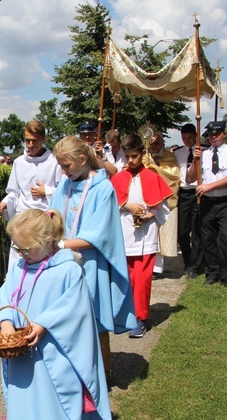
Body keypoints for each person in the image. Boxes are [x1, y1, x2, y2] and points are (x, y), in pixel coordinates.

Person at [0, 208, 111, 420]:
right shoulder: (20, 265)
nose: (20, 254)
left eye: (26, 247)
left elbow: (73, 306)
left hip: (53, 355)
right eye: (17, 248)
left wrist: (44, 324)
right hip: (21, 354)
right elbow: (5, 293)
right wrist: (6, 321)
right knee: (22, 405)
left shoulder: (68, 269)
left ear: (48, 241)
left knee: (55, 401)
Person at [50, 136, 137, 377]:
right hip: (64, 262)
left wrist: (58, 244)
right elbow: (53, 217)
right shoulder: (64, 186)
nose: (63, 171)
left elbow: (97, 236)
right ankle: (75, 374)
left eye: (66, 166)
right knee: (69, 322)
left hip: (90, 264)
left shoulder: (103, 188)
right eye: (60, 166)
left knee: (95, 323)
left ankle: (104, 374)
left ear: (81, 159)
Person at [111, 135, 173, 338]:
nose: (130, 161)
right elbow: (109, 204)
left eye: (134, 156)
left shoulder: (153, 177)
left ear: (143, 154)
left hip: (145, 234)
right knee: (125, 277)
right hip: (124, 233)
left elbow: (163, 207)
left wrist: (150, 214)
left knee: (142, 278)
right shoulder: (119, 178)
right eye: (128, 156)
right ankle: (124, 315)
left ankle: (140, 318)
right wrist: (125, 205)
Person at [0, 120, 62, 265]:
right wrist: (5, 203)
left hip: (43, 220)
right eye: (27, 141)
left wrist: (47, 191)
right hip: (22, 219)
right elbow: (14, 192)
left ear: (44, 139)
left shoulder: (54, 162)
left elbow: (63, 192)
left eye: (34, 141)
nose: (30, 145)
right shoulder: (19, 162)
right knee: (18, 261)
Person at [188, 120, 227, 289]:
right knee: (208, 239)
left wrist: (209, 186)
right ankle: (212, 272)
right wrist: (195, 161)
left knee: (224, 238)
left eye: (217, 134)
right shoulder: (202, 154)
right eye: (211, 134)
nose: (214, 137)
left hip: (225, 202)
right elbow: (190, 178)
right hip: (206, 203)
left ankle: (226, 274)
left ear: (224, 134)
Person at [144, 128, 180, 278]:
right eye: (151, 144)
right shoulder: (143, 158)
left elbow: (172, 176)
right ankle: (148, 265)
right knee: (150, 234)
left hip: (165, 200)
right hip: (148, 200)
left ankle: (158, 269)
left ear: (162, 142)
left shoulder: (169, 156)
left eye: (157, 143)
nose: (154, 147)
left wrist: (154, 168)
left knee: (162, 234)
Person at [174, 123, 204, 278]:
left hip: (199, 193)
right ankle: (188, 261)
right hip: (184, 194)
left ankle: (195, 266)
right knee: (182, 232)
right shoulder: (177, 153)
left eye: (190, 137)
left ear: (196, 135)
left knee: (197, 231)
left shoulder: (204, 151)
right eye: (184, 138)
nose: (187, 140)